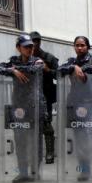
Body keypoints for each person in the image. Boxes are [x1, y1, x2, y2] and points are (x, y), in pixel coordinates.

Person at [0, 35, 46, 183]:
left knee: (35, 142)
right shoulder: (13, 61)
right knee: (20, 141)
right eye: (26, 46)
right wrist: (13, 71)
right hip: (19, 107)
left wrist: (13, 69)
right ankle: (23, 173)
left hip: (34, 106)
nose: (29, 49)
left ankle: (35, 172)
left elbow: (33, 69)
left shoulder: (37, 61)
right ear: (18, 48)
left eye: (31, 46)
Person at [57, 36, 92, 181]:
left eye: (82, 45)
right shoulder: (71, 61)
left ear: (88, 47)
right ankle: (84, 169)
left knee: (89, 137)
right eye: (77, 45)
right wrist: (74, 67)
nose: (79, 48)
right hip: (75, 104)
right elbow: (59, 70)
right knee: (79, 139)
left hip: (90, 104)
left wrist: (82, 68)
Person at [29, 31, 59, 165]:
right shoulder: (25, 58)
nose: (34, 44)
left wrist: (47, 69)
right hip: (29, 95)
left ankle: (50, 153)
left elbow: (59, 75)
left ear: (40, 42)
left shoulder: (49, 58)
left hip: (45, 96)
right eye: (32, 41)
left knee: (46, 123)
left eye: (36, 41)